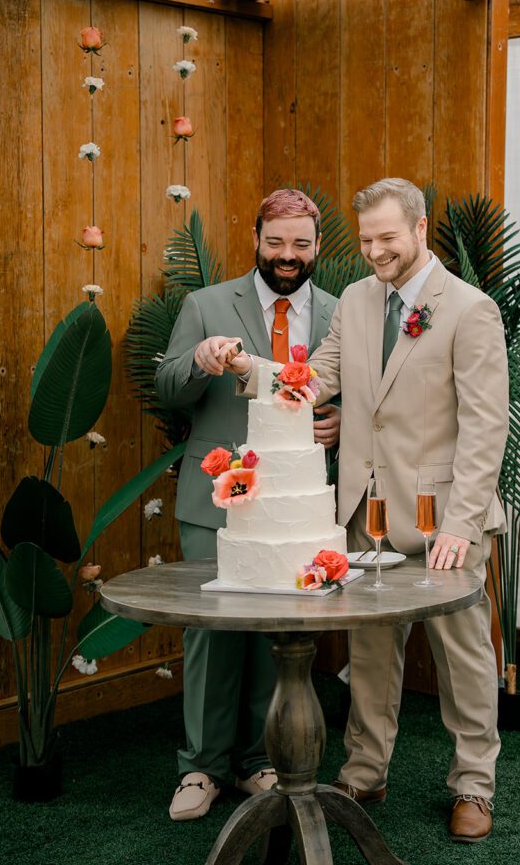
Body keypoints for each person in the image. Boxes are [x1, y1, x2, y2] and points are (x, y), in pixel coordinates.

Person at [216, 177, 509, 843]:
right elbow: (315, 375)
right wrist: (247, 369)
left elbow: (485, 426)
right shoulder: (354, 300)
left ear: (419, 228)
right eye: (367, 239)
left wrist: (462, 526)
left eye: (387, 239)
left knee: (463, 659)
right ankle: (364, 770)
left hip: (443, 521)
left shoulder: (468, 309)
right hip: (366, 517)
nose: (375, 251)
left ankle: (473, 786)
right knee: (371, 655)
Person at [154, 189, 340, 821]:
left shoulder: (341, 313)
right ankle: (200, 768)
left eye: (301, 244)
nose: (287, 256)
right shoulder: (206, 304)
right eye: (275, 242)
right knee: (212, 634)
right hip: (217, 497)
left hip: (295, 502)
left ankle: (260, 761)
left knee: (276, 631)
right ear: (256, 238)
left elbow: (352, 398)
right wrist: (200, 363)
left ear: (318, 245)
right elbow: (167, 387)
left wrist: (337, 421)